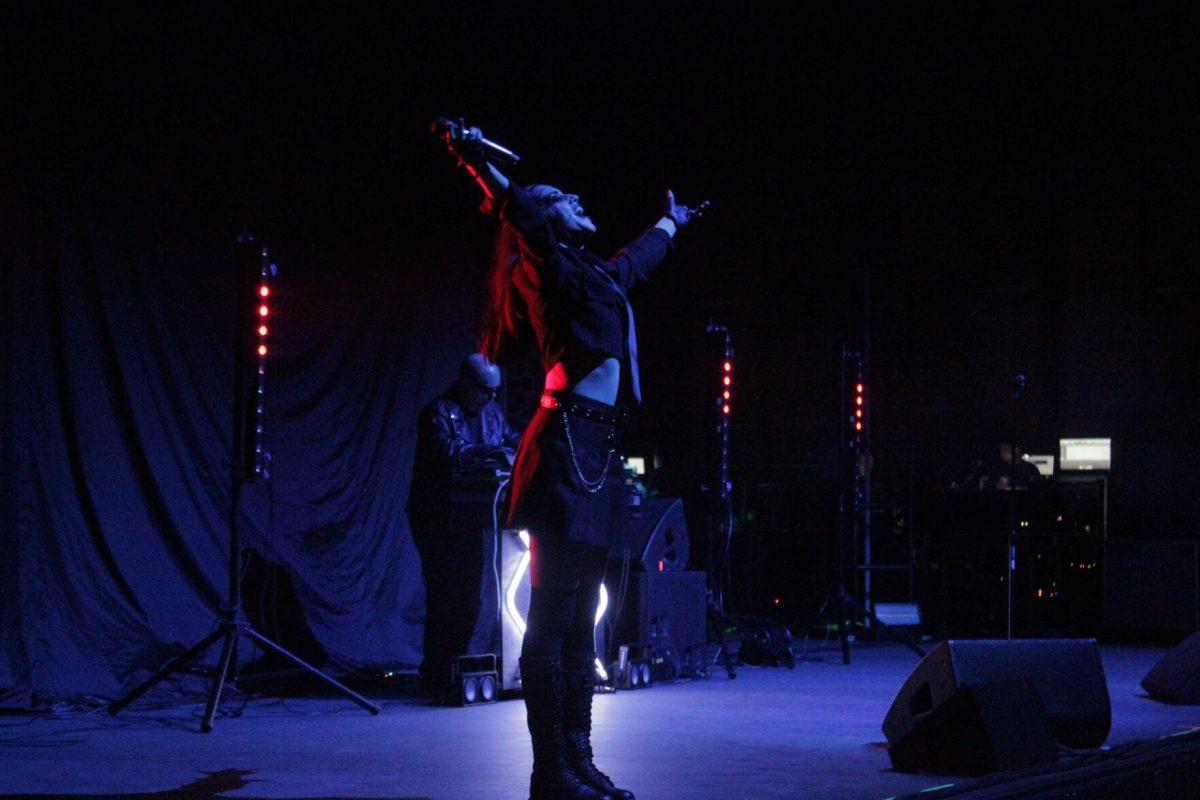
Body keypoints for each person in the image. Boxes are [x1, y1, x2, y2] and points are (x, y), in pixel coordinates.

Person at [440, 122, 705, 800]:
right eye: (564, 196)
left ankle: (579, 759)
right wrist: (473, 156)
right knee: (554, 612)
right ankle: (547, 771)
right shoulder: (548, 265)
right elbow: (519, 207)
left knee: (583, 611)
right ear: (547, 215)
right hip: (563, 449)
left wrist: (670, 223)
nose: (578, 197)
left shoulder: (595, 275)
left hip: (599, 452)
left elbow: (637, 261)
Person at [407, 353, 521, 698]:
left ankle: (455, 668)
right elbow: (447, 452)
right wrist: (490, 455)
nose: (490, 398)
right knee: (445, 596)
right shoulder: (437, 413)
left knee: (470, 597)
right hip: (437, 517)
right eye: (485, 391)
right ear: (466, 383)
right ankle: (435, 674)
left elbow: (510, 437)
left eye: (493, 392)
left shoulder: (492, 413)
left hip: (471, 518)